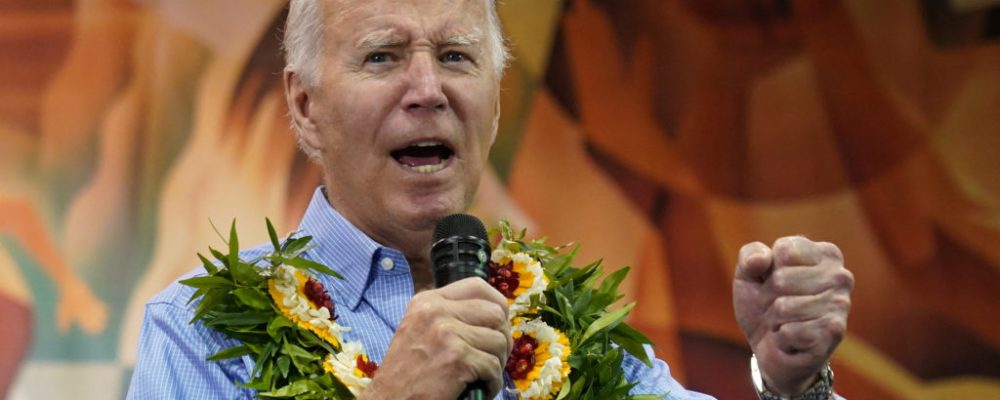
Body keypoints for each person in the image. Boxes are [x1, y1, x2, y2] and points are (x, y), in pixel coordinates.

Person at [126, 0, 854, 398]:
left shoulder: (571, 329)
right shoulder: (198, 334)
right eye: (382, 55)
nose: (428, 90)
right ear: (305, 105)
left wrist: (793, 383)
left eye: (455, 57)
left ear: (496, 108)